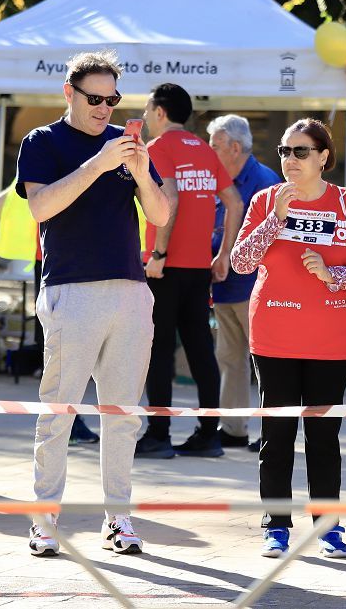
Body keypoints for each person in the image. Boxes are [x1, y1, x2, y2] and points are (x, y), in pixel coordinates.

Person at [15, 50, 169, 556]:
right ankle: (44, 520)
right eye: (95, 98)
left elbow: (161, 215)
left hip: (129, 290)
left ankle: (119, 519)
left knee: (123, 414)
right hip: (71, 289)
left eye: (113, 99)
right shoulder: (42, 142)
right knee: (58, 411)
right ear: (69, 93)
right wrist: (97, 165)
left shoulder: (125, 145)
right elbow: (41, 206)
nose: (105, 107)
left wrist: (142, 172)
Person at [230, 118, 346, 559]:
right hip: (274, 334)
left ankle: (328, 528)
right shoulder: (264, 201)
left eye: (300, 151)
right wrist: (275, 220)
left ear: (322, 157)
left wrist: (333, 274)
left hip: (331, 338)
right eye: (283, 151)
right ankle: (275, 526)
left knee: (323, 436)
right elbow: (241, 262)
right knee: (275, 436)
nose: (289, 160)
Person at [134, 83, 243, 460]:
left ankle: (159, 434)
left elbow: (172, 196)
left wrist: (160, 252)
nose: (146, 117)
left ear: (160, 112)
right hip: (199, 268)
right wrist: (224, 254)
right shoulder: (203, 149)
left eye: (148, 110)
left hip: (165, 268)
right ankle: (208, 434)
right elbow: (234, 201)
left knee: (159, 349)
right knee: (200, 349)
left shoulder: (158, 149)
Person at [0, 184, 99, 444]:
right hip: (54, 259)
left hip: (87, 259)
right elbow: (15, 190)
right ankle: (64, 422)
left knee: (73, 345)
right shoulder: (44, 145)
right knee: (55, 345)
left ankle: (66, 422)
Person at [206, 115, 280, 452]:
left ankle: (273, 431)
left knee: (266, 362)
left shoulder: (264, 182)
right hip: (224, 287)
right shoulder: (220, 179)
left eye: (216, 146)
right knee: (230, 359)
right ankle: (233, 428)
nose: (210, 152)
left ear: (235, 148)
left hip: (256, 287)